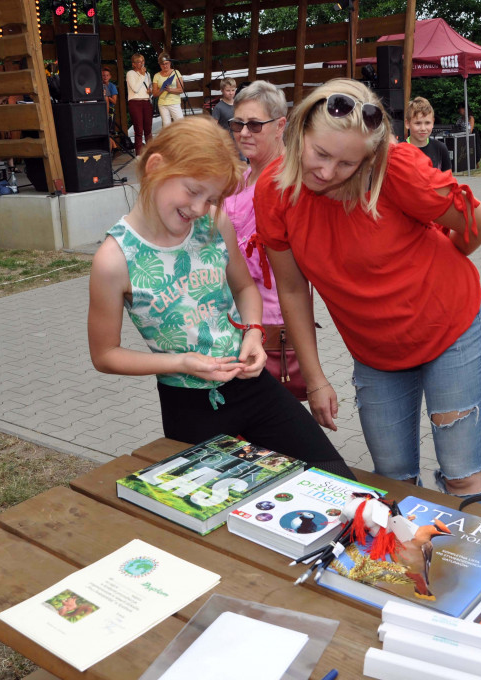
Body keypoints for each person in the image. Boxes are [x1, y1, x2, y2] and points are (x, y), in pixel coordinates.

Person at [253, 79, 481, 496]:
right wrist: (315, 381)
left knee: (461, 473)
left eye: (347, 164)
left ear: (369, 158)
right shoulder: (274, 191)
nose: (328, 172)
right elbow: (293, 291)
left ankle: (473, 558)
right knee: (392, 479)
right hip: (376, 354)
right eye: (321, 153)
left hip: (448, 328)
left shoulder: (396, 168)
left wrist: (439, 266)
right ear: (299, 131)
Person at [87, 116, 354, 480]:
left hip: (251, 384)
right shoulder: (113, 260)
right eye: (193, 191)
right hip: (188, 403)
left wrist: (254, 334)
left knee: (334, 476)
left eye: (211, 198)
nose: (199, 208)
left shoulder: (214, 221)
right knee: (219, 516)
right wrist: (181, 363)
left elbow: (245, 289)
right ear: (155, 168)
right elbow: (105, 355)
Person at [216, 81, 295, 392]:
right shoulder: (245, 176)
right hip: (237, 319)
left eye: (254, 125)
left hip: (272, 321)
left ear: (279, 126)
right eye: (237, 124)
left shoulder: (290, 179)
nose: (244, 132)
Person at [405, 96, 451, 171]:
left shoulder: (440, 148)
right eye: (418, 123)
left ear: (433, 122)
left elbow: (448, 180)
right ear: (407, 124)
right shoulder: (399, 151)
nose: (423, 128)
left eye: (427, 123)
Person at [126, 52, 152, 154]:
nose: (141, 64)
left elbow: (148, 88)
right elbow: (135, 89)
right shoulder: (130, 73)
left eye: (142, 61)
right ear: (133, 64)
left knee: (148, 130)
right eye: (138, 62)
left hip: (146, 101)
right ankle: (139, 154)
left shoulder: (148, 74)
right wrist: (141, 75)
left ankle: (151, 152)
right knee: (139, 130)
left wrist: (150, 91)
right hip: (135, 102)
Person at [152, 52, 183, 128]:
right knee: (166, 126)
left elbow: (181, 89)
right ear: (160, 65)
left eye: (167, 63)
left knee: (180, 124)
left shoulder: (176, 72)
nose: (165, 66)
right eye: (162, 64)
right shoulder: (156, 75)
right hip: (162, 104)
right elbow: (154, 94)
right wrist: (162, 88)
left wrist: (170, 90)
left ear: (170, 63)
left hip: (174, 102)